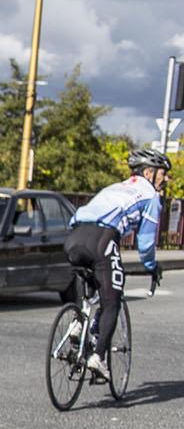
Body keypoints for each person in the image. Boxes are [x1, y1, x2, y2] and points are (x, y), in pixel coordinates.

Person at [65, 147, 171, 379]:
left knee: (93, 283)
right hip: (102, 239)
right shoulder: (150, 196)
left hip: (74, 237)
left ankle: (77, 323)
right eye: (163, 173)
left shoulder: (114, 187)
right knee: (111, 301)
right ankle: (99, 358)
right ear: (149, 172)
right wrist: (152, 267)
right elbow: (145, 245)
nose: (166, 179)